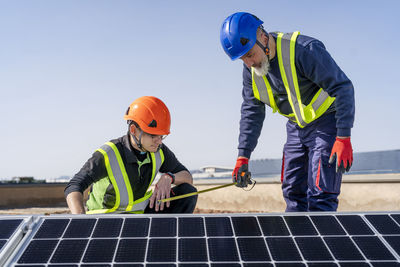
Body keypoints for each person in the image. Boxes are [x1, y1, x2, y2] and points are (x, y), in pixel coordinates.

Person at [220, 12, 355, 212]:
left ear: (263, 38)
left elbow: (343, 87)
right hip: (296, 128)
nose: (249, 63)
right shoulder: (251, 70)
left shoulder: (304, 50)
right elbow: (251, 111)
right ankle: (296, 243)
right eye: (242, 59)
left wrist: (343, 136)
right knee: (292, 190)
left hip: (326, 123)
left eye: (249, 54)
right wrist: (243, 156)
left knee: (321, 193)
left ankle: (318, 242)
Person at [65, 96, 197, 214]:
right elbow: (74, 186)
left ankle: (163, 239)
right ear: (134, 130)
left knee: (188, 192)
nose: (159, 141)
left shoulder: (159, 150)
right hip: (106, 220)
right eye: (153, 135)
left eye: (161, 135)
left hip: (138, 216)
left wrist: (169, 177)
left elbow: (187, 177)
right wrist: (80, 222)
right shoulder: (109, 153)